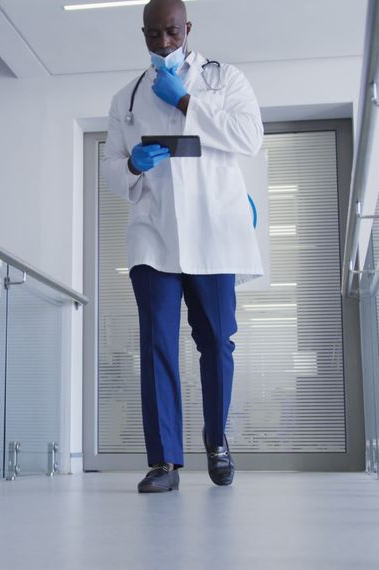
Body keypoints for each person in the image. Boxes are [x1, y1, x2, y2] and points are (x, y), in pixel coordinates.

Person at [103, 0, 264, 493]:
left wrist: (188, 103)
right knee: (156, 344)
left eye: (172, 32)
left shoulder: (225, 80)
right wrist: (131, 164)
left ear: (188, 28)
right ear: (144, 34)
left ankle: (216, 441)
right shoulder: (126, 98)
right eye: (153, 35)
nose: (164, 44)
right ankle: (164, 462)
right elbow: (109, 169)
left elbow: (249, 136)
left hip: (214, 233)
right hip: (154, 235)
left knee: (217, 342)